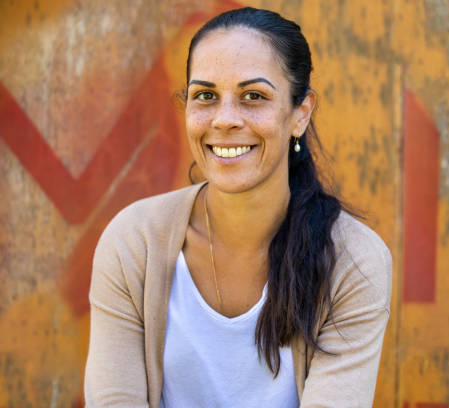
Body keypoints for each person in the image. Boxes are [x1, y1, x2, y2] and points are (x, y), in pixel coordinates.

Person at [84, 7, 392, 408]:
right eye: (206, 96)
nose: (225, 119)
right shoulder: (134, 242)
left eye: (253, 96)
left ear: (300, 113)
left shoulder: (353, 260)